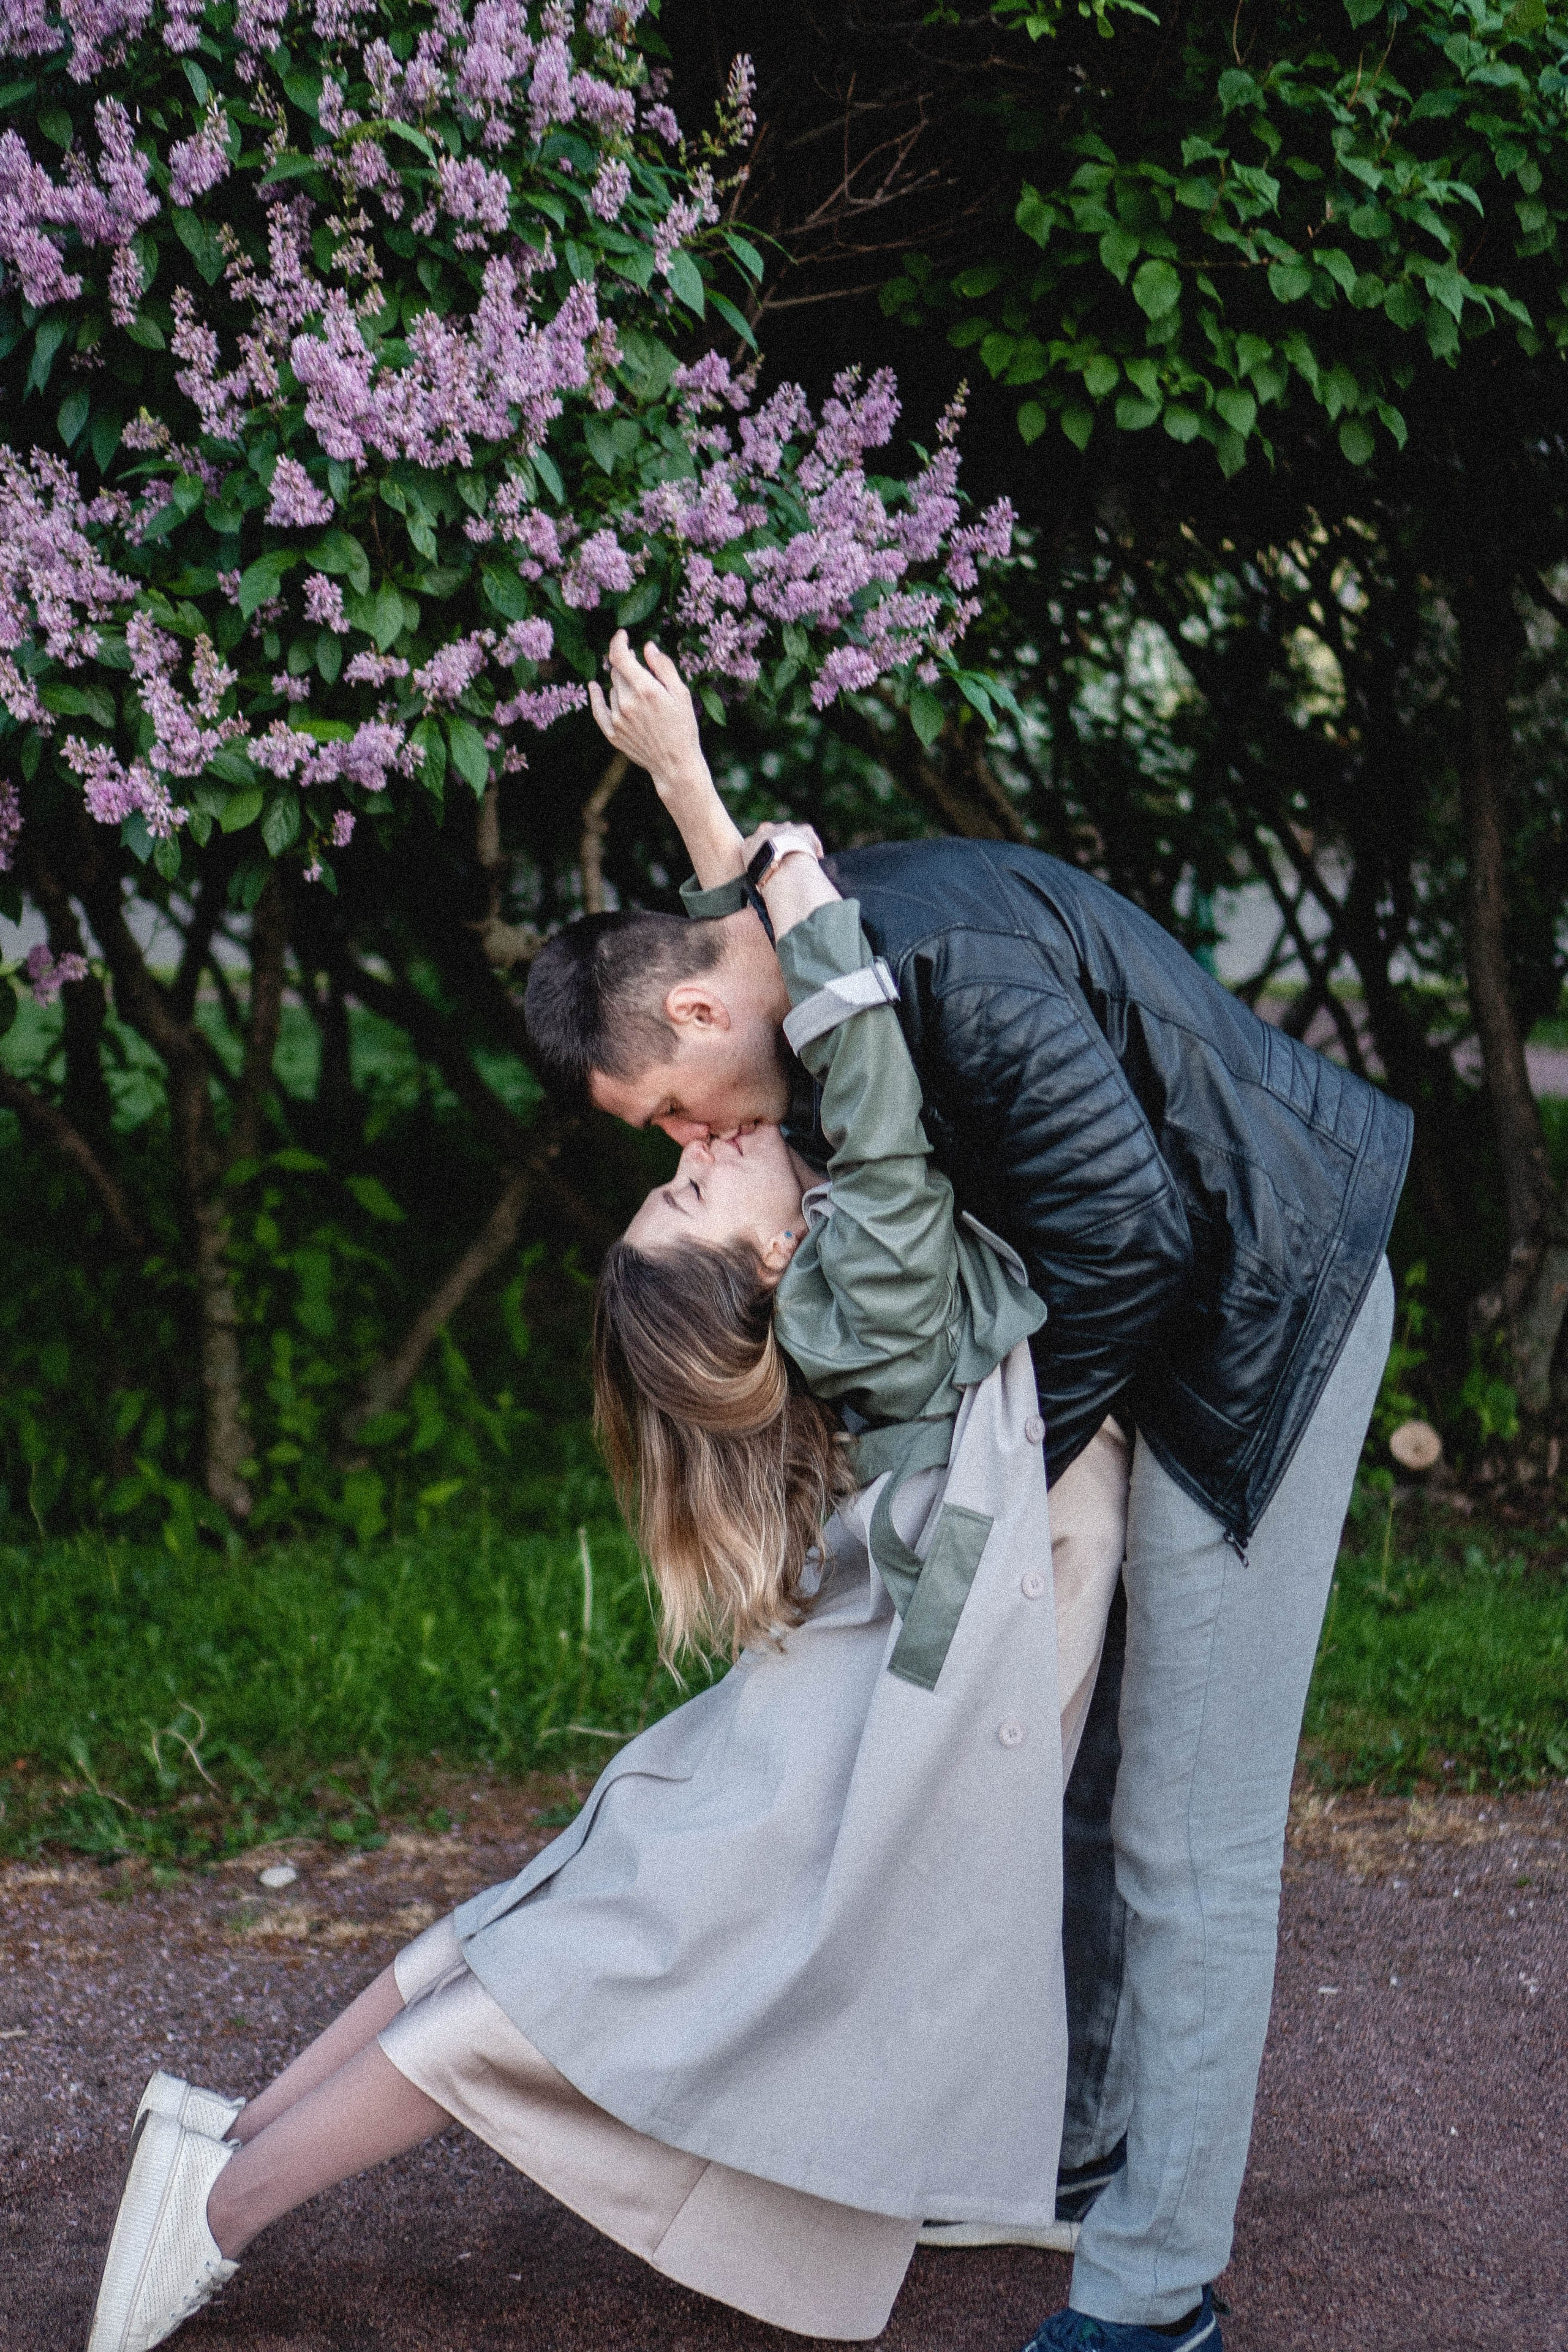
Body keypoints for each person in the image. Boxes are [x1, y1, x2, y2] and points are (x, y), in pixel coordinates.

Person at [85, 737, 1131, 2350]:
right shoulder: (870, 1274)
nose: (694, 1148)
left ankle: (222, 2139)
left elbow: (738, 1011)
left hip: (897, 1655)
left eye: (679, 1162)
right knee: (602, 1957)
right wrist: (789, 883)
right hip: (927, 1656)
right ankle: (219, 2201)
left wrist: (724, 842)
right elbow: (860, 1070)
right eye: (693, 1187)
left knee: (580, 1908)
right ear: (773, 1261)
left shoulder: (837, 1258)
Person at [522, 635, 1411, 2352]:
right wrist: (691, 788)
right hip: (1163, 1318)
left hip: (1264, 1310)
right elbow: (782, 957)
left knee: (1190, 1839)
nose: (692, 1145)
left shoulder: (945, 974)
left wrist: (977, 1481)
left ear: (698, 1017)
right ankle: (1079, 2158)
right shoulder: (802, 954)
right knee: (1091, 1786)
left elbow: (1134, 1246)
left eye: (671, 1112)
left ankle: (1153, 2301)